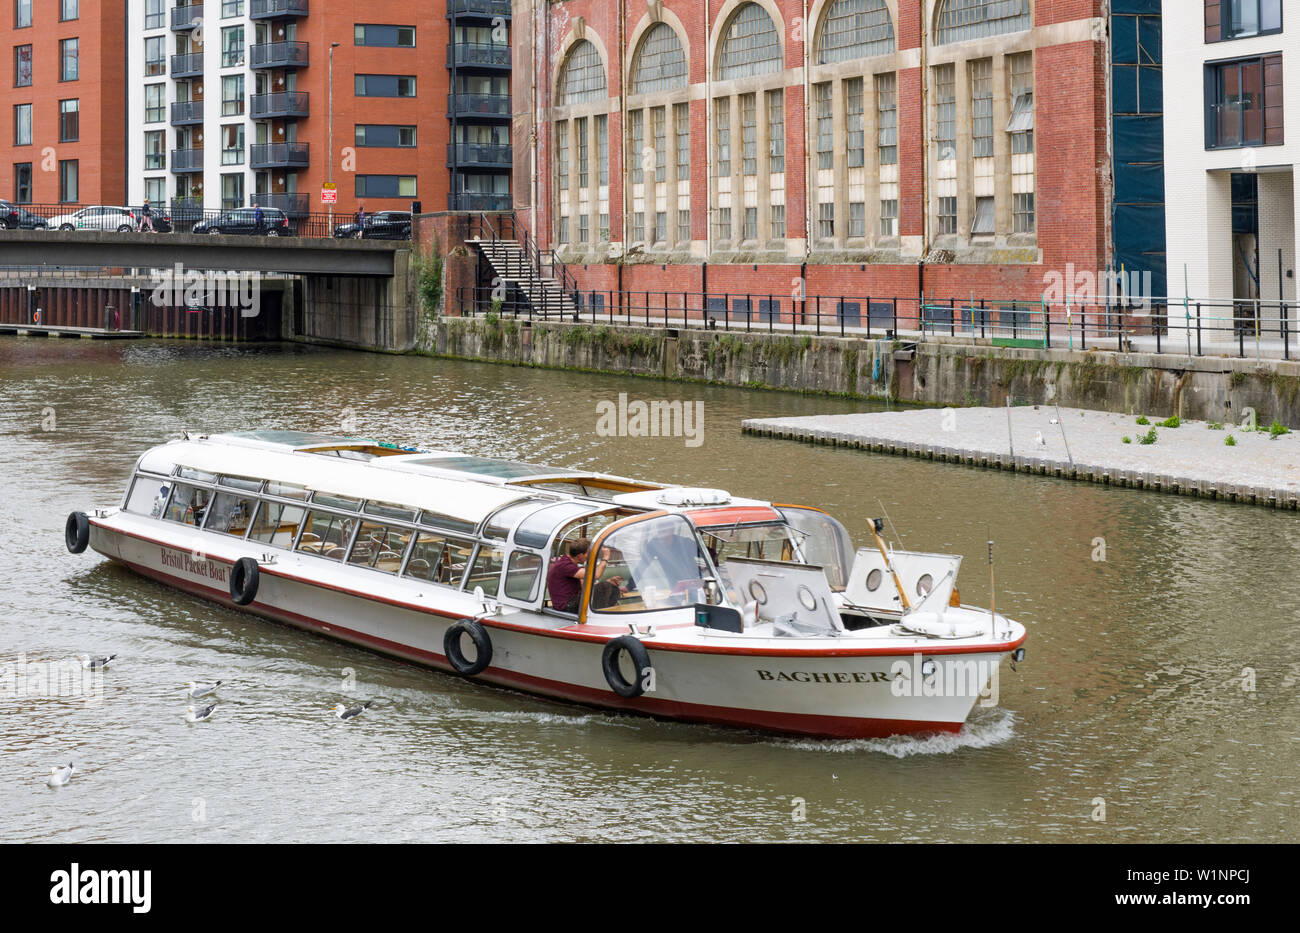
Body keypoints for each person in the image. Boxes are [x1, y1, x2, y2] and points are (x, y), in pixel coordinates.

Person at [547, 539, 623, 613]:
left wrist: (609, 581)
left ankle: (606, 611)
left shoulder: (570, 563)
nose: (589, 556)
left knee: (613, 588)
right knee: (605, 586)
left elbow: (585, 585)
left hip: (573, 600)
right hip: (566, 606)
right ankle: (600, 614)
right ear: (580, 555)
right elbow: (596, 575)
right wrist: (605, 558)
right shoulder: (565, 565)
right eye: (588, 553)